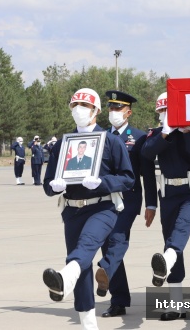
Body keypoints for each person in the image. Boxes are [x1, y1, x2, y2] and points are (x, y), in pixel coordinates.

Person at [42, 88, 134, 330]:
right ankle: (88, 323)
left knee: (86, 246)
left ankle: (64, 278)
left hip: (103, 207)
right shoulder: (63, 144)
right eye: (75, 105)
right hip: (72, 209)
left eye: (84, 105)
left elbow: (127, 178)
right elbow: (48, 185)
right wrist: (54, 185)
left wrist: (103, 183)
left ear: (96, 111)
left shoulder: (112, 141)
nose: (79, 110)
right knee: (81, 265)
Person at [141, 92, 190, 321]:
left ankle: (167, 261)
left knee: (180, 229)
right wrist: (166, 132)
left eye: (169, 111)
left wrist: (187, 131)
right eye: (162, 111)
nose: (165, 114)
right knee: (171, 239)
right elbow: (147, 154)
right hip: (168, 194)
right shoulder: (158, 135)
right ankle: (176, 302)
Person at [95, 90, 158, 318]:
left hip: (129, 197)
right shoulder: (100, 136)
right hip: (103, 198)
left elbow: (148, 174)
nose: (113, 112)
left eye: (118, 108)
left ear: (128, 112)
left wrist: (152, 204)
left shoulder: (140, 137)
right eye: (111, 108)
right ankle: (118, 299)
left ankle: (105, 270)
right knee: (106, 242)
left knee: (118, 237)